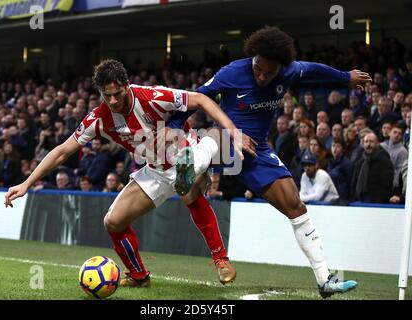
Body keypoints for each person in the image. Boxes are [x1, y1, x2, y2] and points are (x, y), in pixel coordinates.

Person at [4, 59, 256, 287]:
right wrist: (26, 183)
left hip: (186, 152)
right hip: (156, 171)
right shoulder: (99, 118)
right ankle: (138, 275)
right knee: (113, 221)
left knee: (187, 184)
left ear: (127, 85)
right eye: (106, 95)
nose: (113, 101)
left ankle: (220, 258)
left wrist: (232, 131)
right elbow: (61, 151)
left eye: (117, 93)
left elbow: (201, 99)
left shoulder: (152, 96)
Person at [168, 26, 371, 298]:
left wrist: (346, 77)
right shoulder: (232, 72)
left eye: (269, 72)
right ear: (252, 59)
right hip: (225, 142)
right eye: (258, 69)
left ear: (281, 68)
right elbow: (198, 98)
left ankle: (325, 280)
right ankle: (188, 165)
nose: (262, 76)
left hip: (257, 151)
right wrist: (175, 127)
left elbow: (313, 70)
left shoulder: (290, 70)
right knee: (216, 136)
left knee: (295, 205)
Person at [351, 133, 394, 203]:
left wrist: (379, 201)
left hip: (377, 202)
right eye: (366, 142)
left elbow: (387, 185)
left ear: (377, 144)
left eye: (371, 141)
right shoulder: (361, 160)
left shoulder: (384, 160)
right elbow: (354, 181)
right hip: (360, 199)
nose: (368, 144)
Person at [380, 123, 408, 190]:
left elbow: (399, 171)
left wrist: (394, 187)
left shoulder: (403, 151)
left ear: (401, 137)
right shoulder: (381, 146)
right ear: (389, 133)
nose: (397, 135)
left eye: (399, 134)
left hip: (391, 186)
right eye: (395, 132)